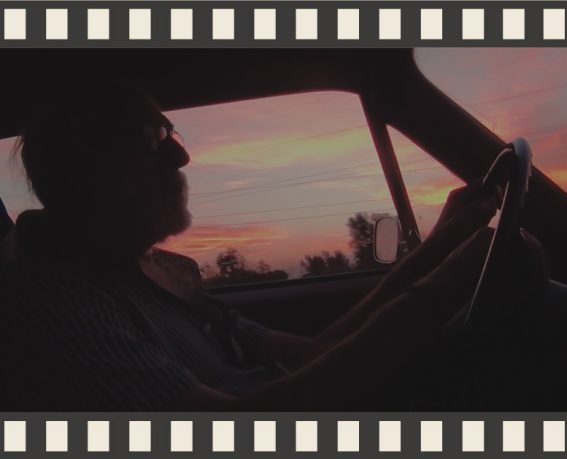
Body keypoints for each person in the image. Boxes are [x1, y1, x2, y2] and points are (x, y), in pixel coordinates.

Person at [0, 82, 502, 411]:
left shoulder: (161, 275)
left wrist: (442, 244)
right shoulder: (50, 303)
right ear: (82, 170)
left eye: (171, 134)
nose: (181, 157)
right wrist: (450, 284)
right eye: (150, 138)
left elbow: (317, 353)